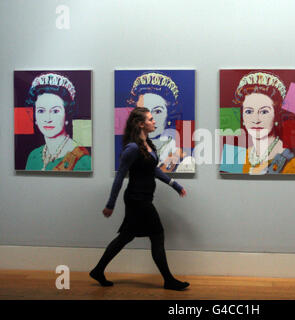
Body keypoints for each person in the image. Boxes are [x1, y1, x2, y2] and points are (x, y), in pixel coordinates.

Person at [90, 107, 189, 291]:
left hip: (143, 198)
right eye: (151, 119)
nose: (154, 122)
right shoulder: (132, 148)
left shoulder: (148, 145)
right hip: (137, 200)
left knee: (126, 237)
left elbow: (154, 170)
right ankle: (168, 280)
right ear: (141, 124)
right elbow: (120, 177)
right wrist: (110, 204)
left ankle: (98, 270)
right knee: (157, 235)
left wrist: (175, 185)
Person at [233, 71, 295, 174]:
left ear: (276, 116)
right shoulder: (236, 157)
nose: (256, 120)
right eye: (249, 111)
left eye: (264, 112)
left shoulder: (294, 163)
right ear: (242, 117)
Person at [126, 72, 192, 173]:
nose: (151, 119)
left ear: (168, 115)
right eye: (143, 112)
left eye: (157, 111)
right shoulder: (131, 148)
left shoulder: (182, 156)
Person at [24, 72, 91, 171]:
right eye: (41, 111)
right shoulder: (33, 156)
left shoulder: (83, 161)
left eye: (55, 111)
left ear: (67, 115)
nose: (48, 118)